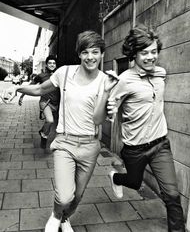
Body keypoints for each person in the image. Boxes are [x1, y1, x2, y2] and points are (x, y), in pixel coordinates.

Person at [2, 30, 118, 232]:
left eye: (95, 52)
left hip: (90, 146)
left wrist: (108, 94)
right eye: (85, 52)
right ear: (79, 54)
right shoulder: (64, 73)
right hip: (65, 142)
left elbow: (98, 120)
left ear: (102, 54)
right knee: (64, 195)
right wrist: (17, 89)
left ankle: (65, 218)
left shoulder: (105, 82)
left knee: (78, 196)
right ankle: (56, 215)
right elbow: (39, 90)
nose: (90, 57)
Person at [96, 25, 186, 232]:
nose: (150, 57)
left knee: (172, 196)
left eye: (154, 51)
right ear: (134, 54)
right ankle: (116, 177)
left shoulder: (161, 74)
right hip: (135, 149)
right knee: (135, 182)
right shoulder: (124, 80)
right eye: (144, 52)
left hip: (160, 145)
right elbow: (110, 111)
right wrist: (110, 108)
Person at [18, 55, 60, 149]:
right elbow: (31, 86)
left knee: (52, 125)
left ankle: (43, 132)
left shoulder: (59, 75)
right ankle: (44, 136)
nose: (52, 65)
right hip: (45, 102)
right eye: (50, 63)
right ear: (46, 64)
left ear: (56, 65)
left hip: (56, 103)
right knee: (50, 120)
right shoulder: (41, 76)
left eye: (54, 63)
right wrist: (22, 95)